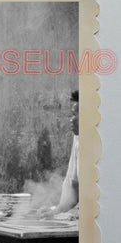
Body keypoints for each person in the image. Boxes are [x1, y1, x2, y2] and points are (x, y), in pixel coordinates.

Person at [42, 90, 79, 218]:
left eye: (74, 115)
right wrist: (57, 211)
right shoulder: (78, 138)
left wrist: (76, 213)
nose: (70, 120)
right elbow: (71, 181)